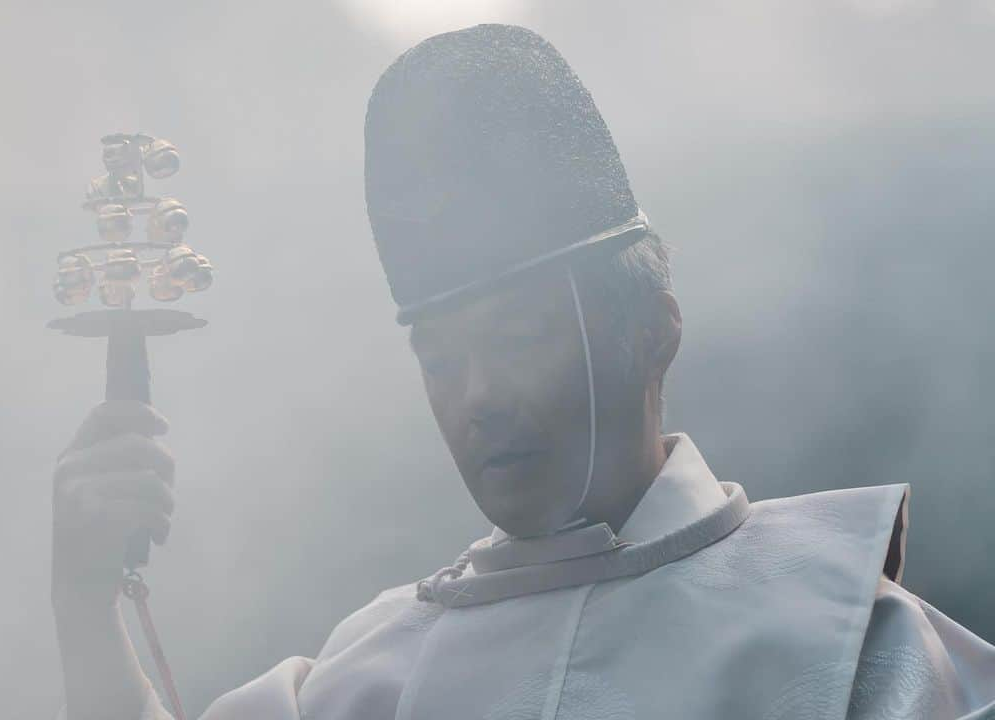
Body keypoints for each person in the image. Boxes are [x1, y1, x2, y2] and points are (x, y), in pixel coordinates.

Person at [51, 24, 995, 720]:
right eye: (442, 357)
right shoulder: (371, 677)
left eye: (517, 339)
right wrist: (87, 602)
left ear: (653, 333)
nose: (479, 398)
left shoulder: (849, 646)